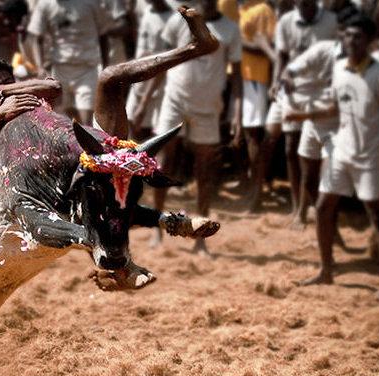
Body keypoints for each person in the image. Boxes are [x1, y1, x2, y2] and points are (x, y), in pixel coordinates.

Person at [0, 6, 221, 173]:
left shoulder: (28, 95)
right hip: (73, 171)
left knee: (110, 77)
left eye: (8, 82)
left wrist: (3, 90)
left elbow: (54, 86)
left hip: (95, 150)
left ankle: (195, 48)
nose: (6, 88)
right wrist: (0, 116)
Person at [299, 14, 379, 302]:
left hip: (371, 155)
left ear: (370, 42)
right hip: (341, 150)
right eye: (347, 36)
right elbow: (335, 106)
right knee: (323, 208)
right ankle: (325, 270)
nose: (350, 41)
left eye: (357, 37)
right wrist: (306, 112)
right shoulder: (338, 68)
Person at [143, 0, 241, 255]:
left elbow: (237, 76)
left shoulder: (230, 29)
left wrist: (237, 114)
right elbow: (161, 62)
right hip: (174, 100)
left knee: (204, 172)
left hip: (208, 107)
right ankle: (158, 228)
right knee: (163, 163)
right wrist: (145, 99)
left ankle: (201, 237)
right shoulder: (179, 21)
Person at [256, 0, 337, 215]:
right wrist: (276, 81)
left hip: (319, 91)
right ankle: (296, 205)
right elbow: (282, 55)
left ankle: (309, 205)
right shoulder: (286, 21)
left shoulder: (331, 21)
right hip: (290, 87)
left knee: (312, 152)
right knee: (289, 147)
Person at [26, 0, 112, 126]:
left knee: (86, 119)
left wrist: (106, 66)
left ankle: (89, 142)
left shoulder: (91, 3)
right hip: (60, 69)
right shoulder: (45, 4)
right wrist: (40, 67)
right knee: (68, 118)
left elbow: (103, 35)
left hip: (87, 69)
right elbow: (36, 38)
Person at [235, 0, 277, 211]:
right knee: (241, 135)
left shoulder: (263, 9)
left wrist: (237, 42)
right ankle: (249, 186)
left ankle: (256, 192)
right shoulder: (243, 8)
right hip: (238, 77)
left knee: (253, 136)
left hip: (255, 78)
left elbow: (269, 49)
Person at [126, 0, 173, 141]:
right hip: (139, 81)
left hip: (160, 85)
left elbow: (164, 64)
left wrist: (143, 103)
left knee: (157, 134)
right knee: (130, 122)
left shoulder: (172, 20)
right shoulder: (147, 12)